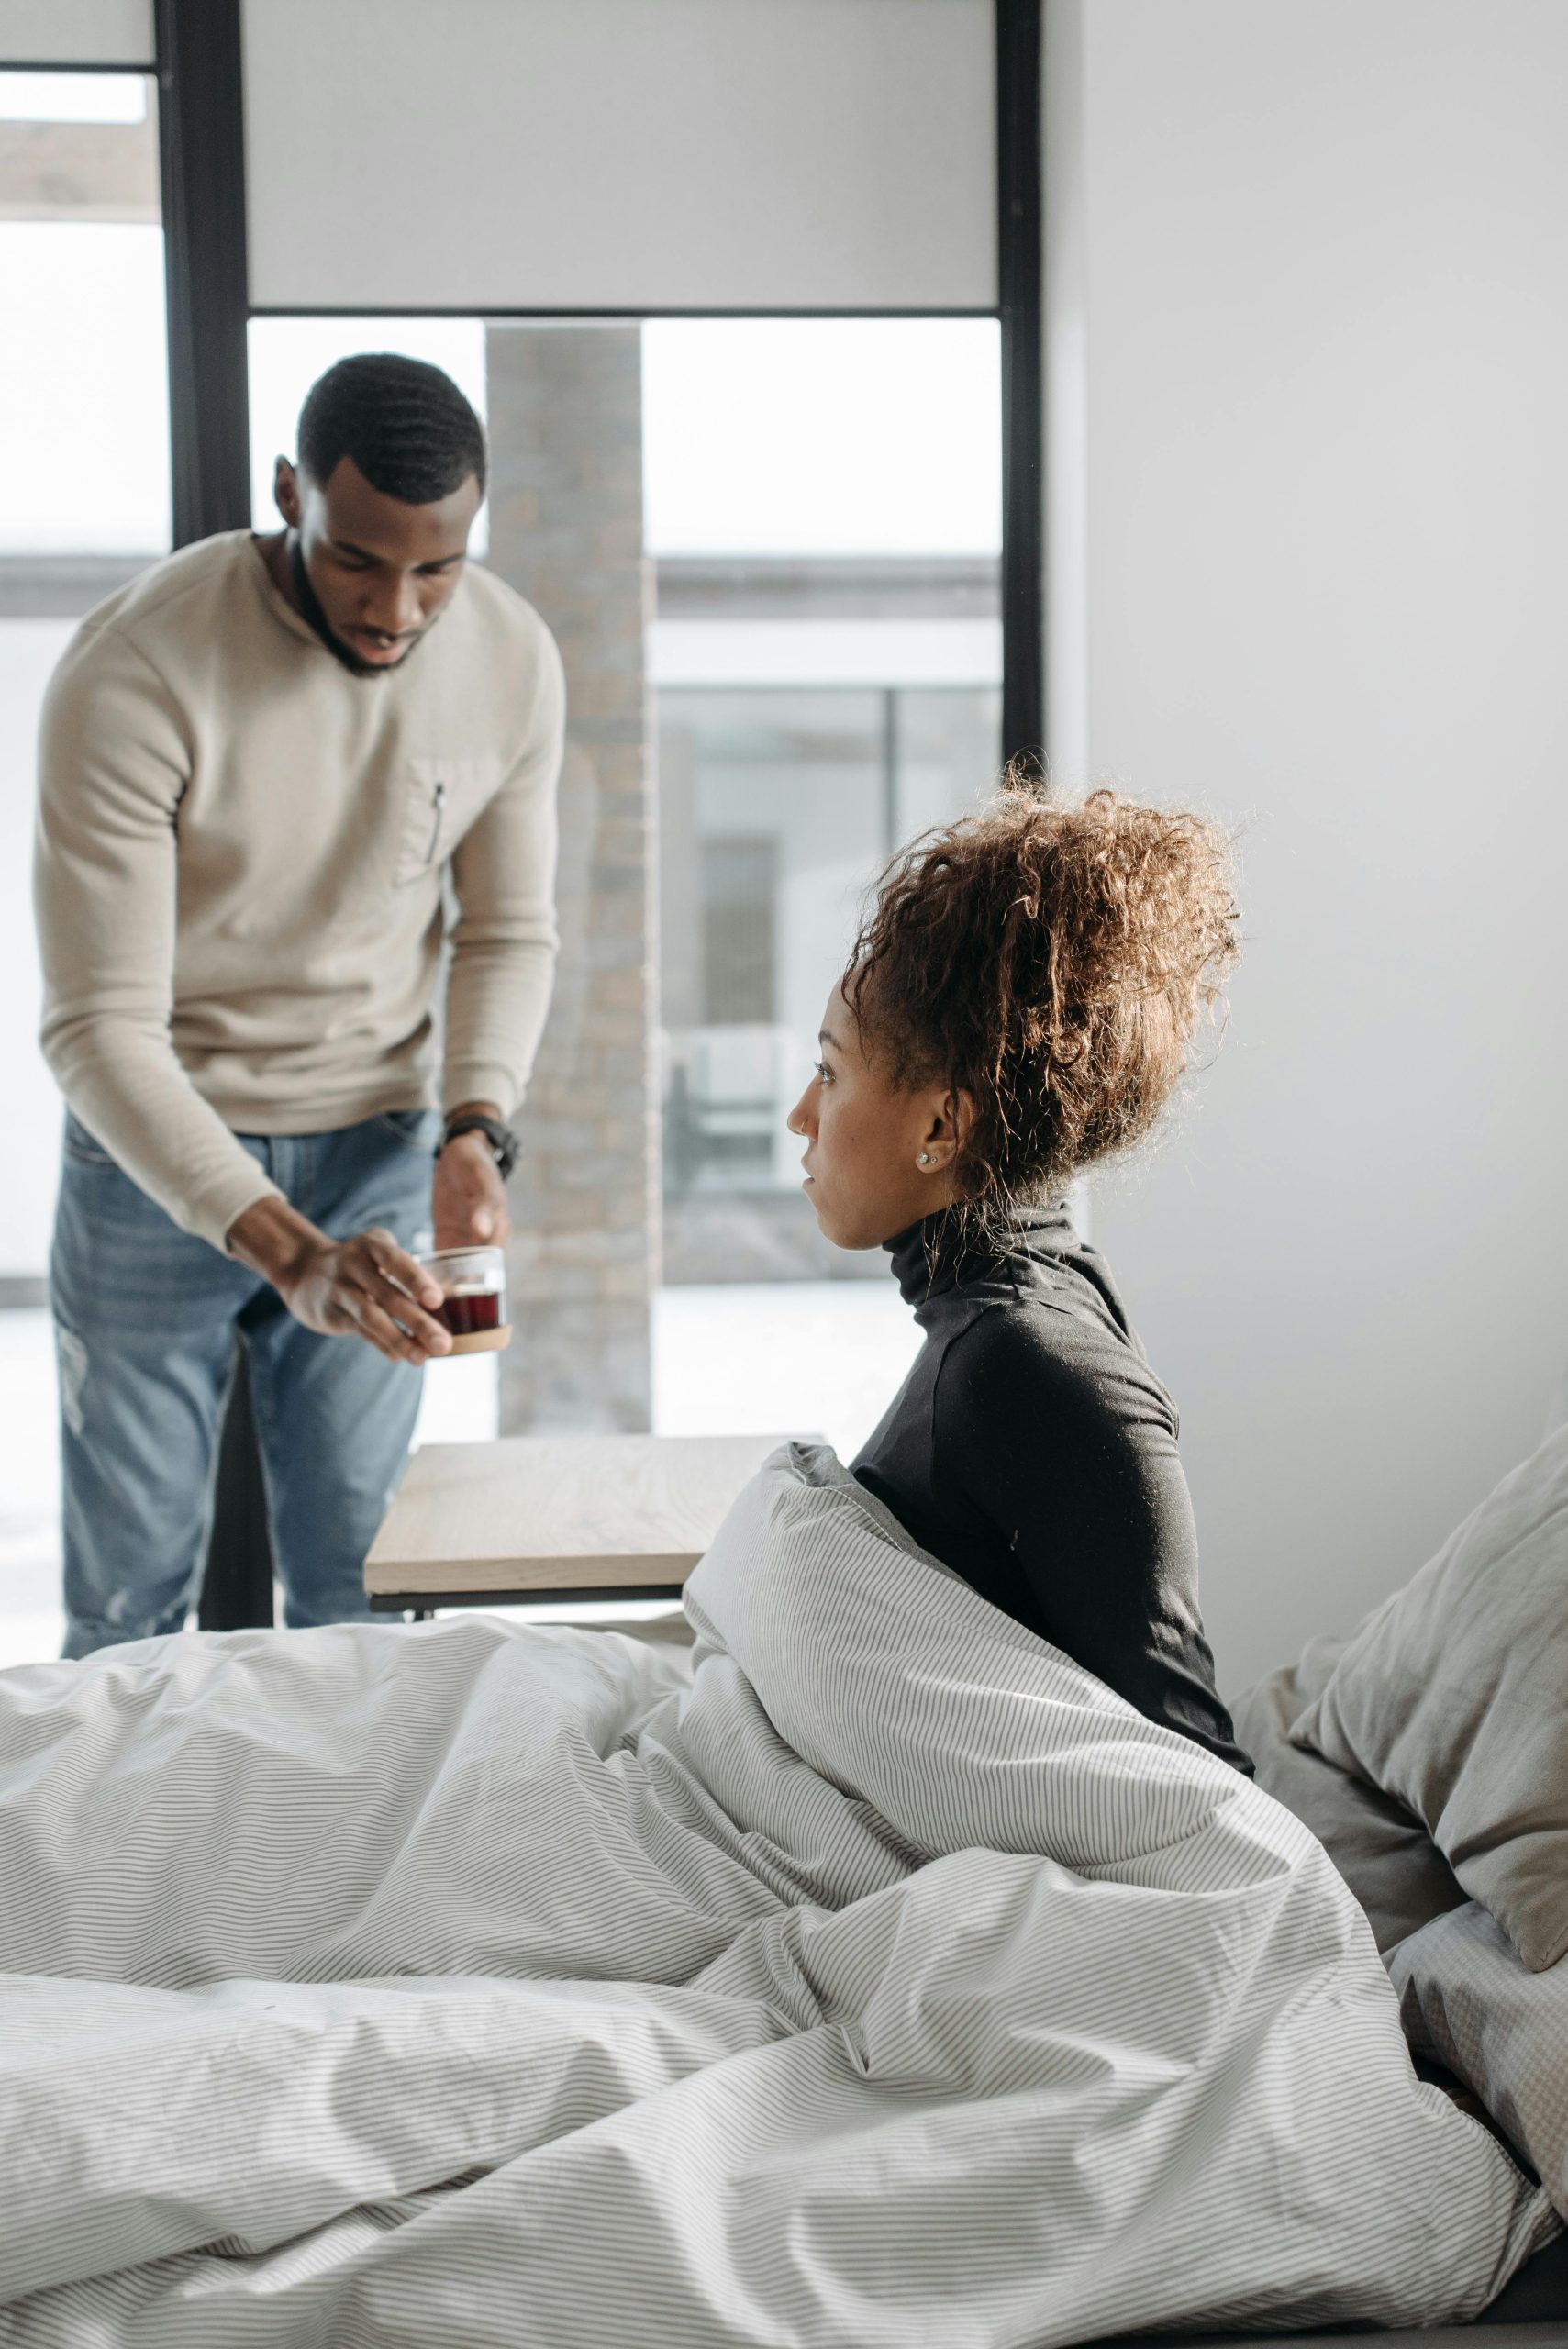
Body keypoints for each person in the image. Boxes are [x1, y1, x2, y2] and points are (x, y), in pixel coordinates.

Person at [34, 352, 565, 1657]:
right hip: (156, 1163)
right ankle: (108, 1865)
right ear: (288, 497)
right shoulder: (136, 668)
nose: (397, 610)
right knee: (127, 1602)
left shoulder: (507, 655)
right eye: (358, 562)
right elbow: (97, 1026)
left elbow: (504, 929)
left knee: (361, 1587)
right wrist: (289, 1251)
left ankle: (333, 1864)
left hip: (376, 1149)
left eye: (436, 568)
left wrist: (473, 1131)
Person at [786, 776, 1251, 1770]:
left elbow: (1197, 1782)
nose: (799, 1116)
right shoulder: (1021, 1294)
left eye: (829, 1073)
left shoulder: (1026, 1365)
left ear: (941, 1126)